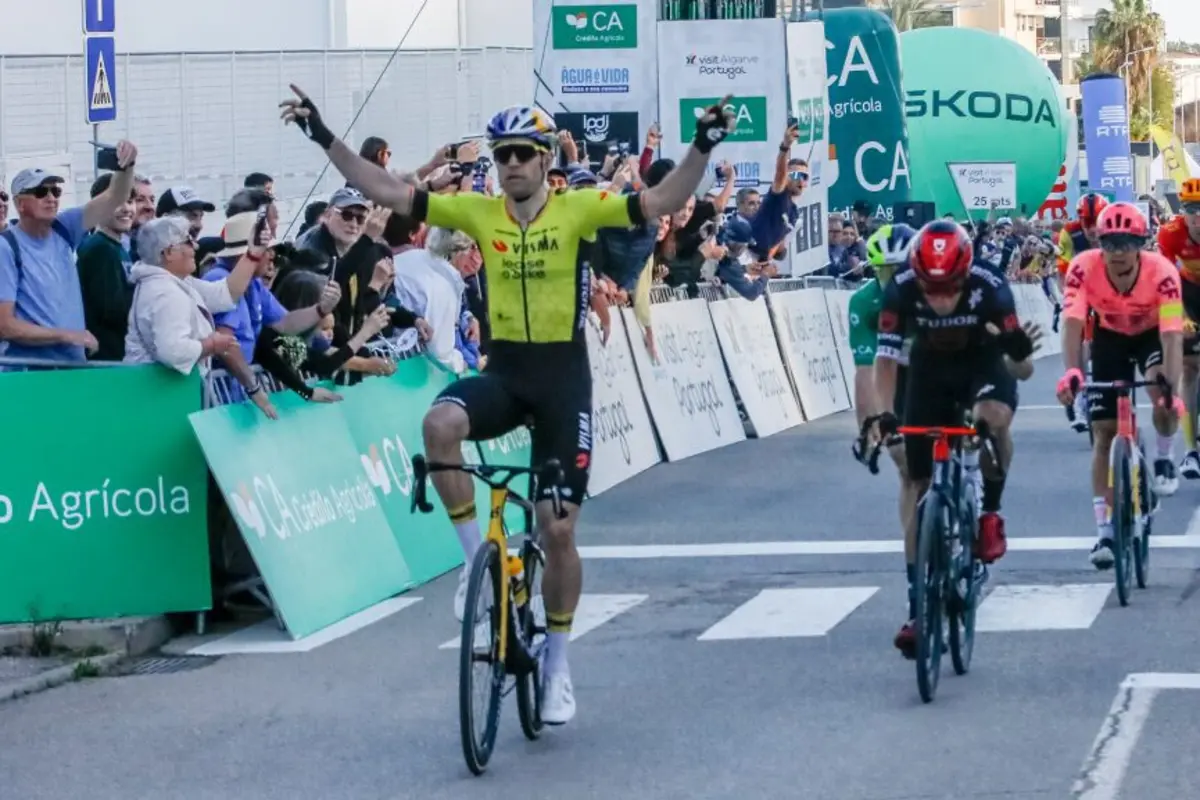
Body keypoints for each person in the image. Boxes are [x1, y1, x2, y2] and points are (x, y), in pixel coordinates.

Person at [280, 84, 734, 725]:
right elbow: (383, 190)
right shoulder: (477, 213)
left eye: (523, 152)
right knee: (438, 424)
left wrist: (702, 146)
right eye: (502, 155)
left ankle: (557, 664)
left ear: (546, 159)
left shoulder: (580, 208)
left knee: (558, 527)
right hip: (505, 371)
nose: (512, 164)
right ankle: (477, 568)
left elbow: (662, 200)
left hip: (562, 382)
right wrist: (322, 134)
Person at [869, 220, 1037, 659]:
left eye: (950, 288)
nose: (941, 299)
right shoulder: (902, 287)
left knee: (992, 417)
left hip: (983, 363)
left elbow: (1022, 372)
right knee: (917, 483)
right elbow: (885, 361)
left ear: (966, 272)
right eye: (932, 289)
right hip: (930, 370)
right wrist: (885, 415)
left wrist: (1019, 354)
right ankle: (916, 608)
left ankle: (991, 513)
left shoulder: (991, 285)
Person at [1058, 202, 1185, 570]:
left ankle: (1162, 459)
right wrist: (1072, 373)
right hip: (1110, 337)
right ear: (1099, 241)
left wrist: (1171, 387)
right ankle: (1105, 533)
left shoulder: (1162, 272)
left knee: (1162, 397)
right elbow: (1072, 323)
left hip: (1150, 335)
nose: (1118, 253)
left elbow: (1173, 336)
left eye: (1126, 244)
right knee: (1103, 434)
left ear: (1141, 244)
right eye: (1110, 243)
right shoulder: (1083, 268)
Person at [1156, 177, 1200, 479]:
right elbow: (1167, 283)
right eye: (1191, 210)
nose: (1198, 217)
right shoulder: (1170, 234)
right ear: (1182, 212)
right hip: (1186, 294)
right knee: (1189, 369)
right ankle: (1190, 451)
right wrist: (1181, 318)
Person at [1058, 193, 1109, 433]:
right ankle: (1077, 392)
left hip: (1106, 288)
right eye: (1086, 222)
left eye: (1095, 221)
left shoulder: (1113, 228)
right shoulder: (1070, 233)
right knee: (1073, 330)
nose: (1091, 229)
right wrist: (1066, 301)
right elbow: (1062, 273)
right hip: (1078, 287)